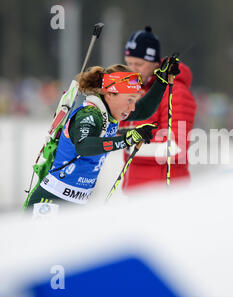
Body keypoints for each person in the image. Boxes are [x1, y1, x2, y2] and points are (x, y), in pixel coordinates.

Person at [25, 61, 179, 212]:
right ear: (110, 94)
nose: (132, 108)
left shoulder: (110, 114)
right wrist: (127, 139)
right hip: (51, 201)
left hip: (75, 204)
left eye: (134, 100)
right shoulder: (90, 114)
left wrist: (162, 80)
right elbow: (84, 146)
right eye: (129, 100)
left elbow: (144, 110)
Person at [120, 26, 197, 190]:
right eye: (128, 64)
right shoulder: (136, 91)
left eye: (139, 64)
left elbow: (175, 147)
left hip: (163, 190)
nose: (132, 70)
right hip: (136, 189)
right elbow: (114, 128)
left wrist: (124, 142)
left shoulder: (175, 91)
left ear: (155, 63)